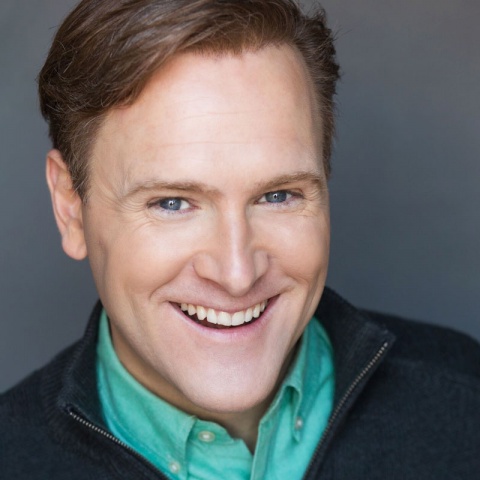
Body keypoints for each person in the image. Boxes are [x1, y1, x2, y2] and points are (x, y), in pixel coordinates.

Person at [1, 0, 479, 478]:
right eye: (172, 203)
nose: (237, 275)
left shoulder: (465, 406)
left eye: (278, 195)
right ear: (71, 207)